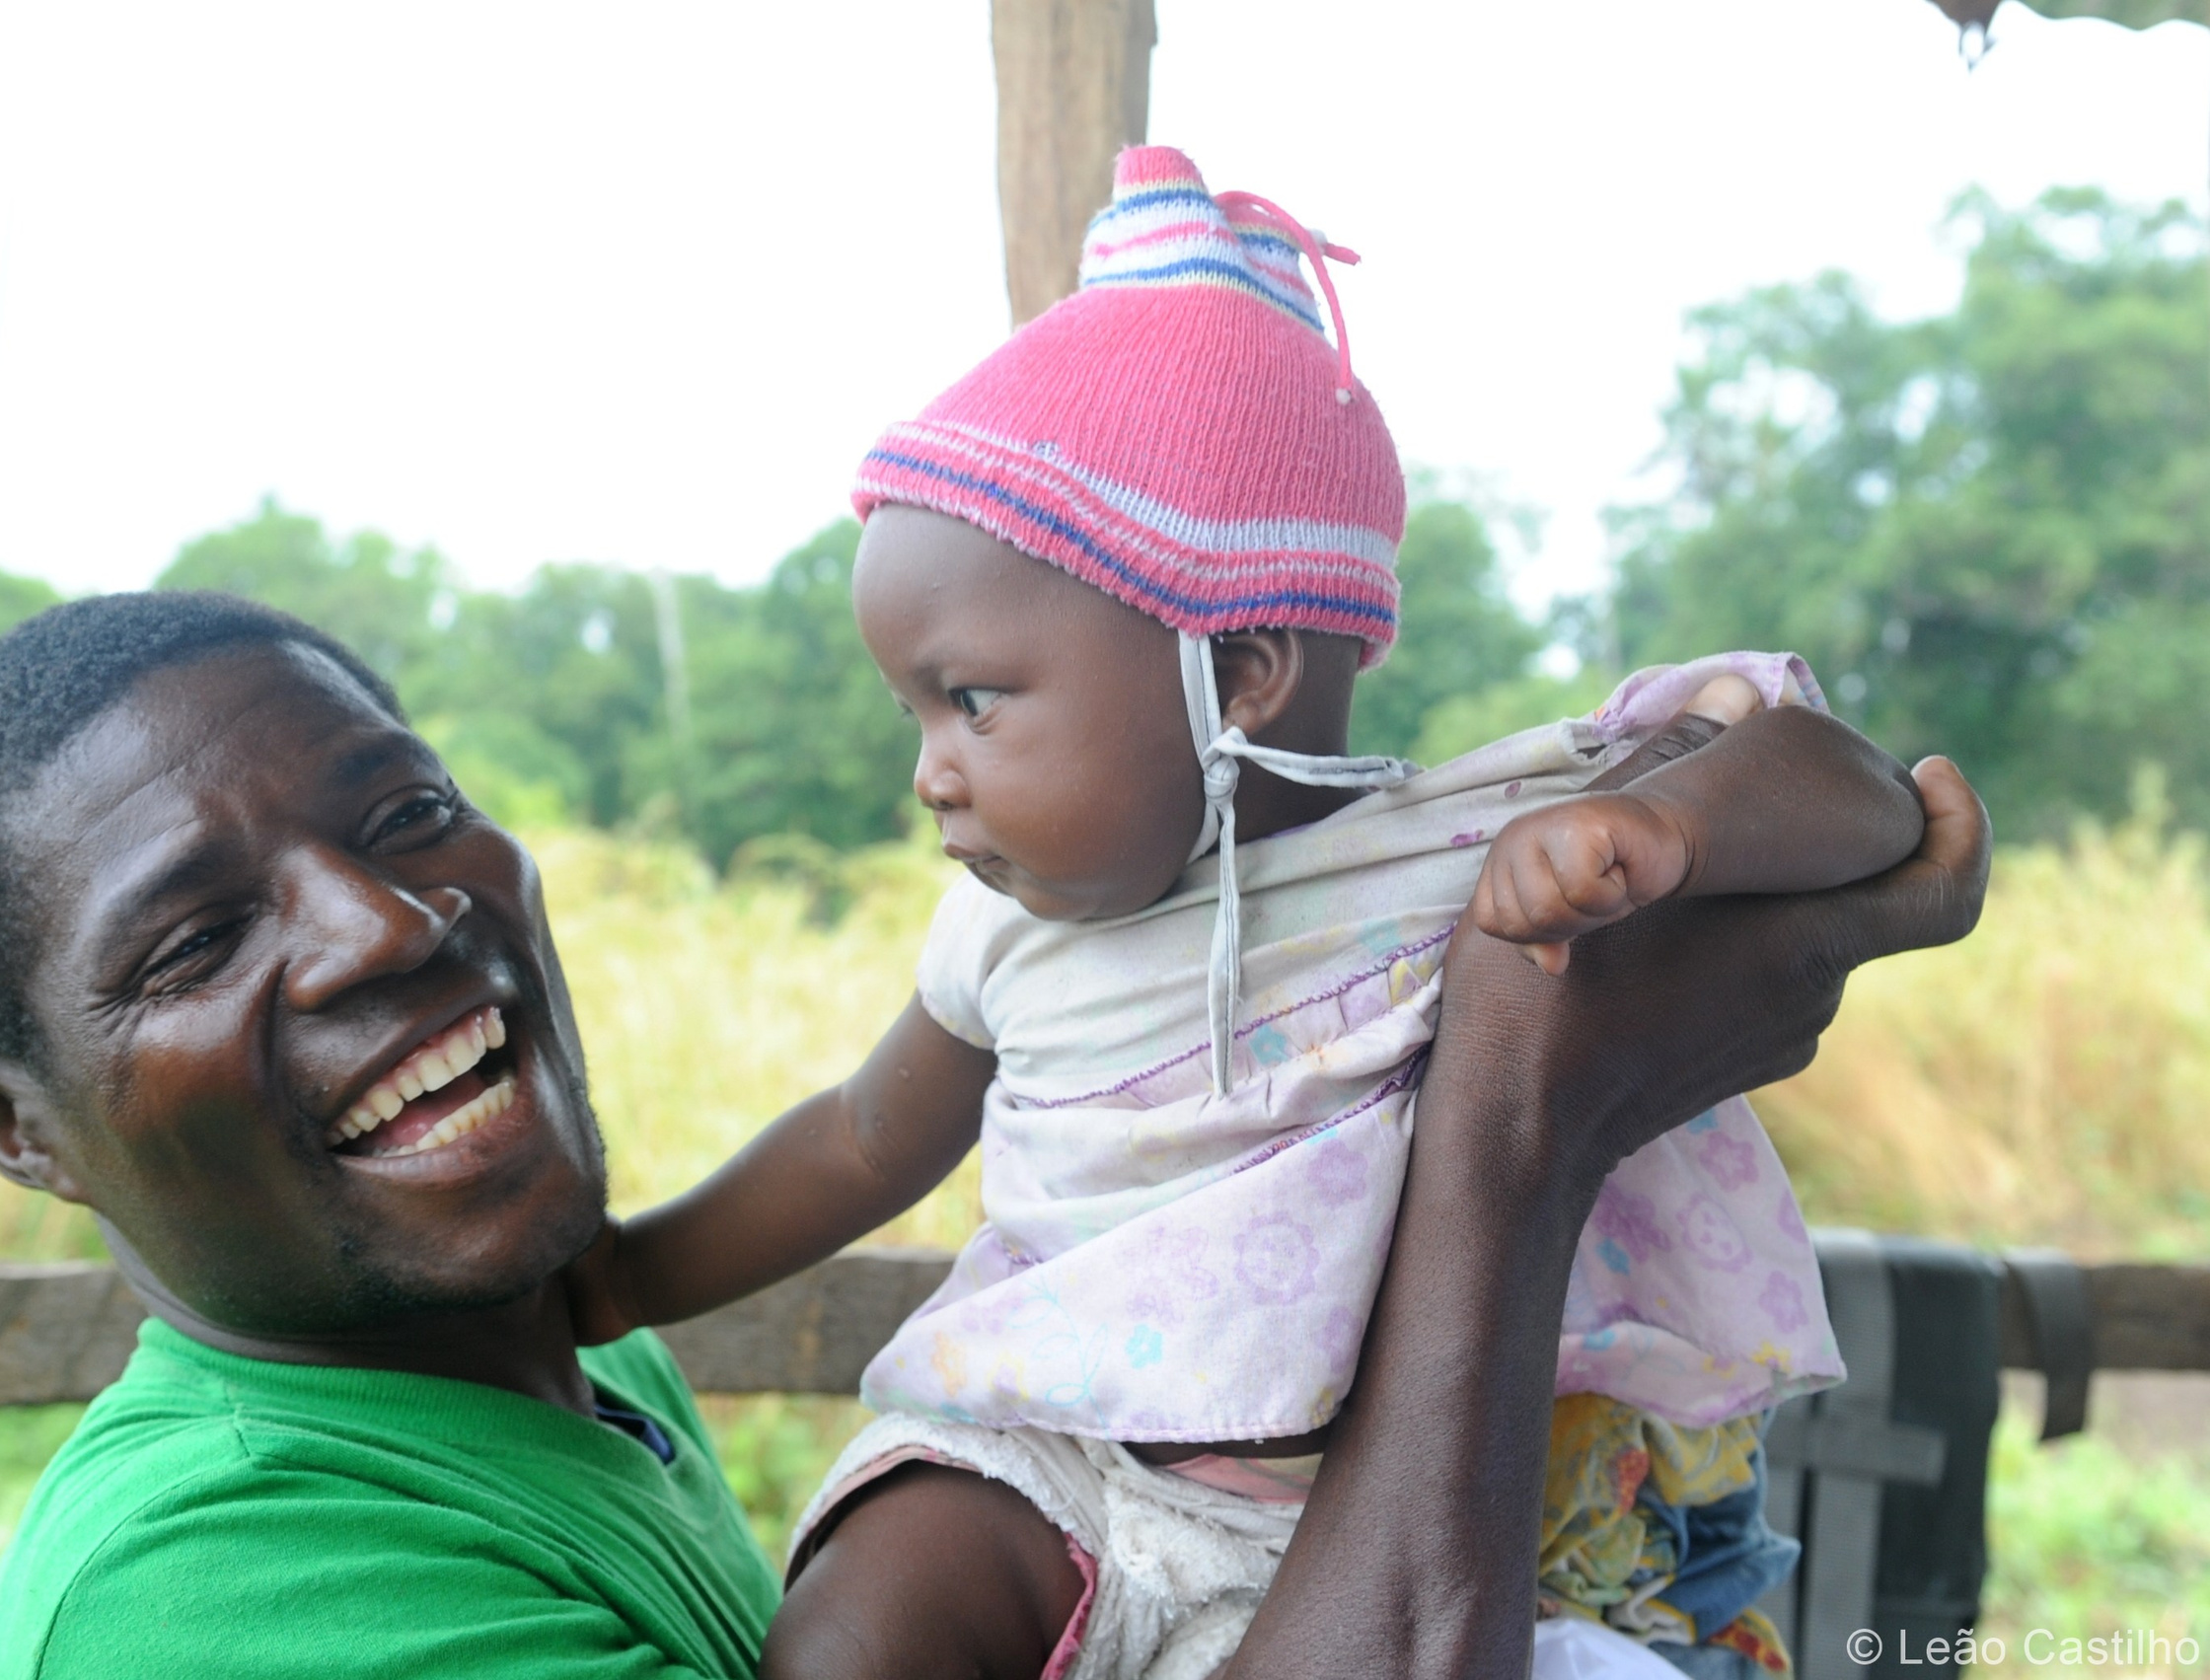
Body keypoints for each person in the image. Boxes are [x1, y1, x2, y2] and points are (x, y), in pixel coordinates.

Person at [0, 587, 1982, 1680]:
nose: (386, 926)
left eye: (404, 813)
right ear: (15, 1133)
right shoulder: (231, 1594)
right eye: (193, 941)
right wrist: (1522, 1105)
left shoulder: (547, 1370)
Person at [559, 148, 1930, 1680]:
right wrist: (626, 1277)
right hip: (1041, 1463)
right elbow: (862, 1139)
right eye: (916, 715)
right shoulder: (1006, 940)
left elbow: (1848, 781)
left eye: (974, 702)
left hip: (1387, 1515)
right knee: (858, 1635)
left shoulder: (1460, 857)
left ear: (1245, 673)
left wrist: (1664, 828)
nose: (932, 774)